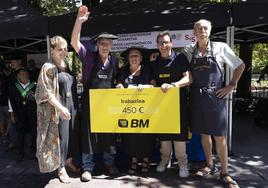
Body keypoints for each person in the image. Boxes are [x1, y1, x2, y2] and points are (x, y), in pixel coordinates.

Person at [183, 19, 245, 188]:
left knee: (219, 135)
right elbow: (185, 72)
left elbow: (240, 65)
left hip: (215, 97)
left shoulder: (220, 47)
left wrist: (231, 85)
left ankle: (225, 173)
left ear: (209, 31)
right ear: (194, 33)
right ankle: (209, 165)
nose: (202, 31)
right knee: (204, 133)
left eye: (205, 28)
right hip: (196, 96)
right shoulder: (189, 50)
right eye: (199, 29)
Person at [71, 5, 119, 182]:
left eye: (108, 43)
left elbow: (117, 81)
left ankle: (109, 163)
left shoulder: (114, 61)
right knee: (88, 136)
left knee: (108, 135)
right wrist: (79, 21)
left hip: (108, 105)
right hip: (90, 103)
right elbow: (74, 43)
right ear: (97, 45)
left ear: (111, 46)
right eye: (102, 43)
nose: (105, 46)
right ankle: (88, 167)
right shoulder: (88, 57)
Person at [35, 36, 79, 184]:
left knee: (71, 136)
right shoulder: (48, 67)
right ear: (52, 50)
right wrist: (61, 108)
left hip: (72, 106)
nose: (64, 51)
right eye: (60, 49)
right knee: (62, 139)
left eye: (65, 48)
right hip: (58, 109)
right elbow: (45, 93)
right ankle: (61, 168)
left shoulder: (66, 64)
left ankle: (68, 161)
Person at [150, 31, 192, 178]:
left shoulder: (180, 58)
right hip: (161, 107)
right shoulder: (154, 64)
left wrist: (174, 85)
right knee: (164, 138)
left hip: (179, 106)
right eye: (161, 43)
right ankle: (164, 161)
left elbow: (188, 79)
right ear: (157, 45)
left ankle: (182, 164)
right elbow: (153, 84)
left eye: (166, 42)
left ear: (171, 43)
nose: (163, 45)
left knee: (180, 138)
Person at [116, 47, 156, 174]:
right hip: (128, 110)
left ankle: (145, 160)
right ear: (128, 58)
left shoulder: (147, 69)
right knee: (131, 136)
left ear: (141, 58)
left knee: (146, 135)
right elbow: (118, 85)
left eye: (136, 56)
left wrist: (145, 87)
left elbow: (154, 85)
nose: (134, 58)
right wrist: (120, 86)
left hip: (146, 110)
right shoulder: (122, 71)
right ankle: (133, 161)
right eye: (131, 56)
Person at [8, 67, 37, 162]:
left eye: (25, 73)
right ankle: (20, 154)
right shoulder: (14, 87)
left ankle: (34, 152)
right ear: (18, 76)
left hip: (33, 114)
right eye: (21, 73)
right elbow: (11, 101)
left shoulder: (35, 85)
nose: (23, 75)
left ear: (28, 75)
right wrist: (12, 114)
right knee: (20, 135)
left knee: (34, 134)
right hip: (19, 114)